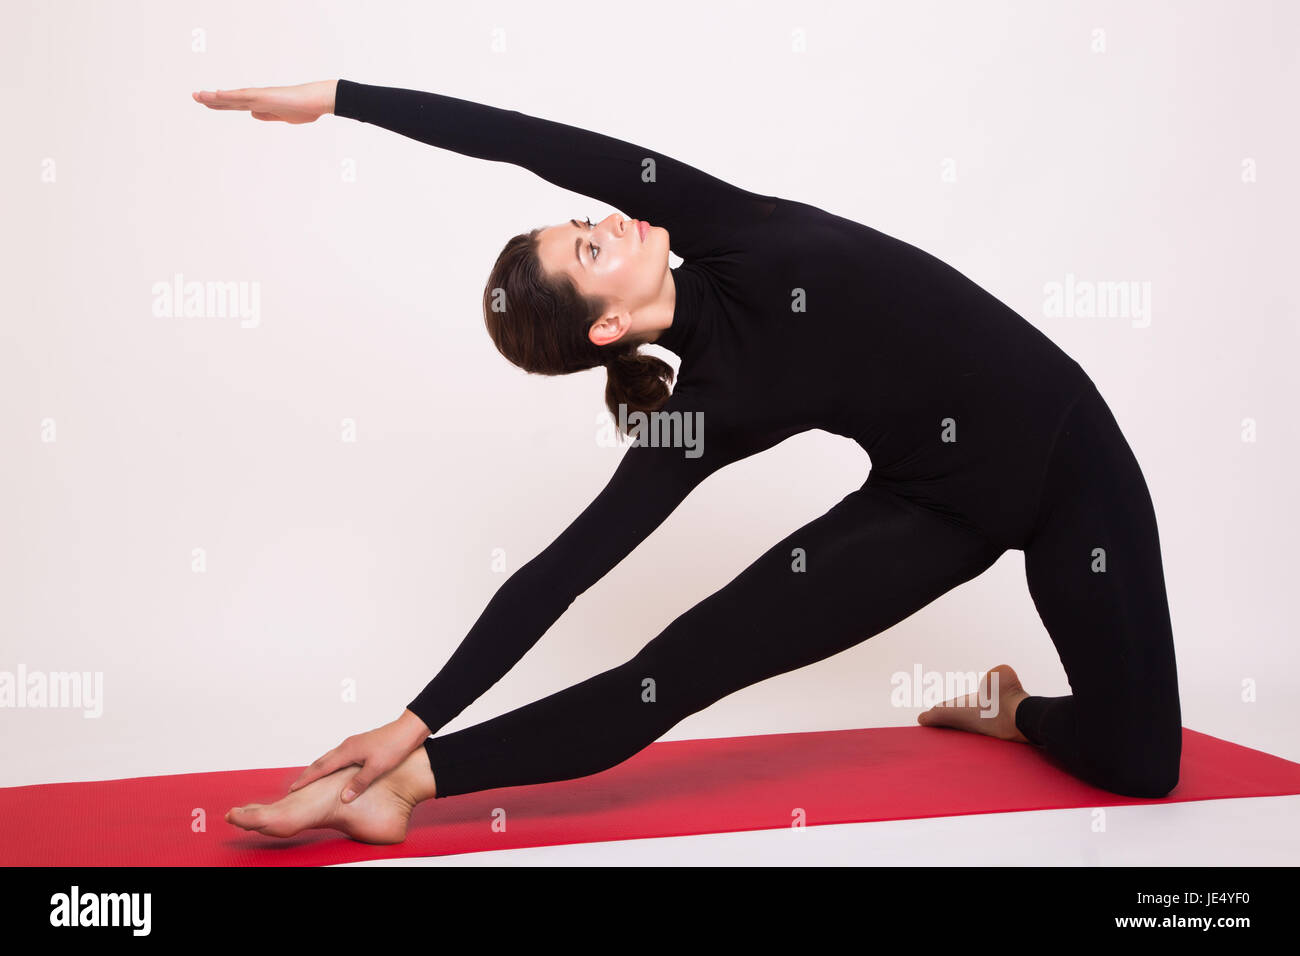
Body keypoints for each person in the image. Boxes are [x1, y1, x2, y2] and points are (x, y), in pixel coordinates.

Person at [194, 79, 1182, 845]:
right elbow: (560, 572)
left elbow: (521, 140)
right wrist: (410, 727)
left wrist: (337, 100)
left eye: (583, 224)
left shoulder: (719, 225)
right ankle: (408, 788)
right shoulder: (697, 417)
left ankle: (1012, 709)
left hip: (1067, 456)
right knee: (669, 675)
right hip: (935, 512)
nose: (605, 221)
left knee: (1140, 765)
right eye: (588, 250)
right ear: (609, 324)